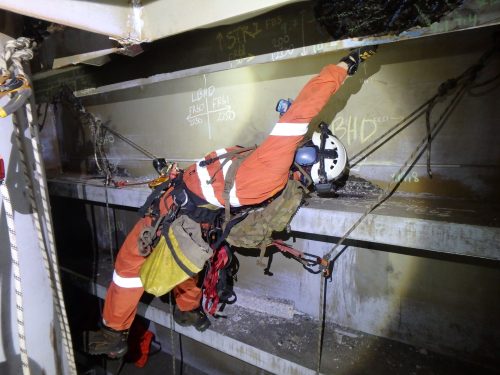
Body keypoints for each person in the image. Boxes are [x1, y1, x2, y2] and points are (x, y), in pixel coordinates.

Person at [86, 45, 378, 358]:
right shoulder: (277, 177)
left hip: (180, 207)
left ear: (308, 154)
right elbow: (231, 173)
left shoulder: (273, 167)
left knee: (129, 265)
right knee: (184, 263)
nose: (302, 140)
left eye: (307, 143)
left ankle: (114, 332)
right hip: (197, 215)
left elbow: (307, 104)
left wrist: (345, 66)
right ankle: (186, 311)